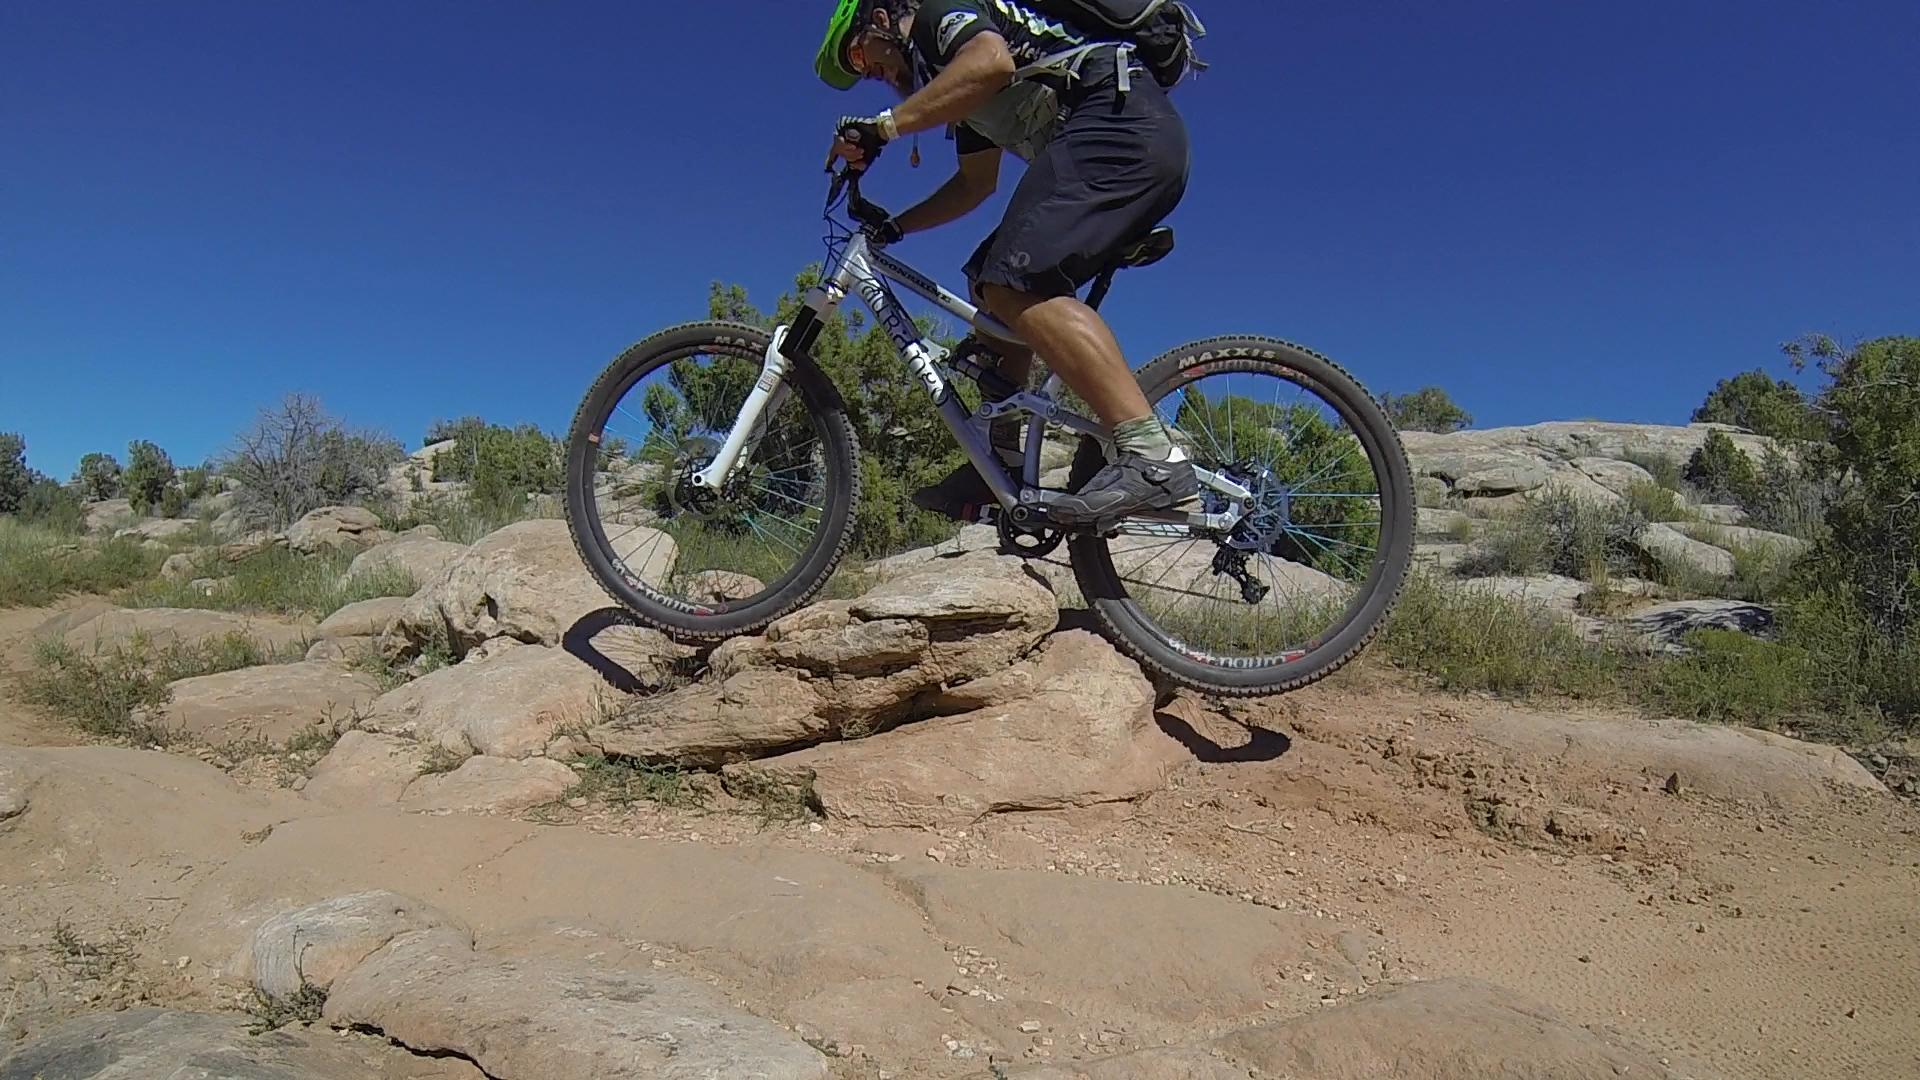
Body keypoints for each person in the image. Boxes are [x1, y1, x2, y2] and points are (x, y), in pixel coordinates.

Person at [816, 0, 1196, 525]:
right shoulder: (962, 88)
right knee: (987, 282)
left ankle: (1152, 457)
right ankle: (1001, 462)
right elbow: (976, 184)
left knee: (1015, 283)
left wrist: (881, 129)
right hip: (1119, 143)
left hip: (1121, 129)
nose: (872, 74)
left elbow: (991, 61)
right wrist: (895, 226)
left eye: (859, 55)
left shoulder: (939, 18)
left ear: (881, 19)